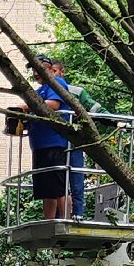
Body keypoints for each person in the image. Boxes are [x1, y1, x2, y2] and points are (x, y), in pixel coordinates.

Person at [46, 58, 102, 219]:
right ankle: (57, 216)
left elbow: (96, 108)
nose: (51, 75)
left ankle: (77, 213)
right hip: (53, 143)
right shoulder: (43, 94)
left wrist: (114, 121)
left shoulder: (75, 91)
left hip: (74, 141)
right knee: (55, 179)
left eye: (54, 71)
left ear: (61, 72)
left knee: (76, 177)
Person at [25, 54, 72, 219]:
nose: (35, 74)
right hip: (40, 145)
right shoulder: (39, 91)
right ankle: (49, 222)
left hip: (54, 142)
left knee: (59, 185)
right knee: (47, 189)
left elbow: (54, 104)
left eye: (38, 69)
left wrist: (27, 106)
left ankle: (65, 220)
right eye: (33, 70)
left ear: (50, 69)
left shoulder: (56, 83)